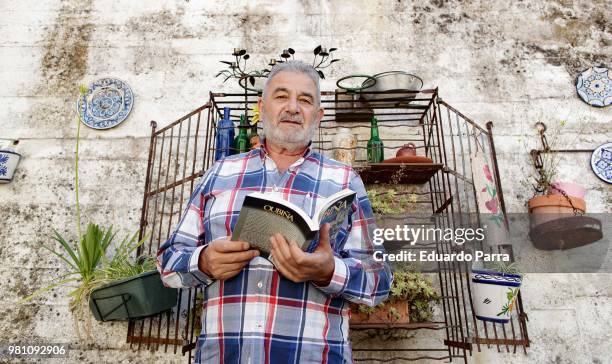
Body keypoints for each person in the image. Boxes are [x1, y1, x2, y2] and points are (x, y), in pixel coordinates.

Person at [157, 60, 393, 363]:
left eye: (305, 100)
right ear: (262, 107)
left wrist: (329, 271)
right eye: (281, 96)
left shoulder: (345, 180)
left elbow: (379, 281)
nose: (293, 107)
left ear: (318, 116)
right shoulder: (219, 173)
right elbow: (167, 264)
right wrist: (204, 261)